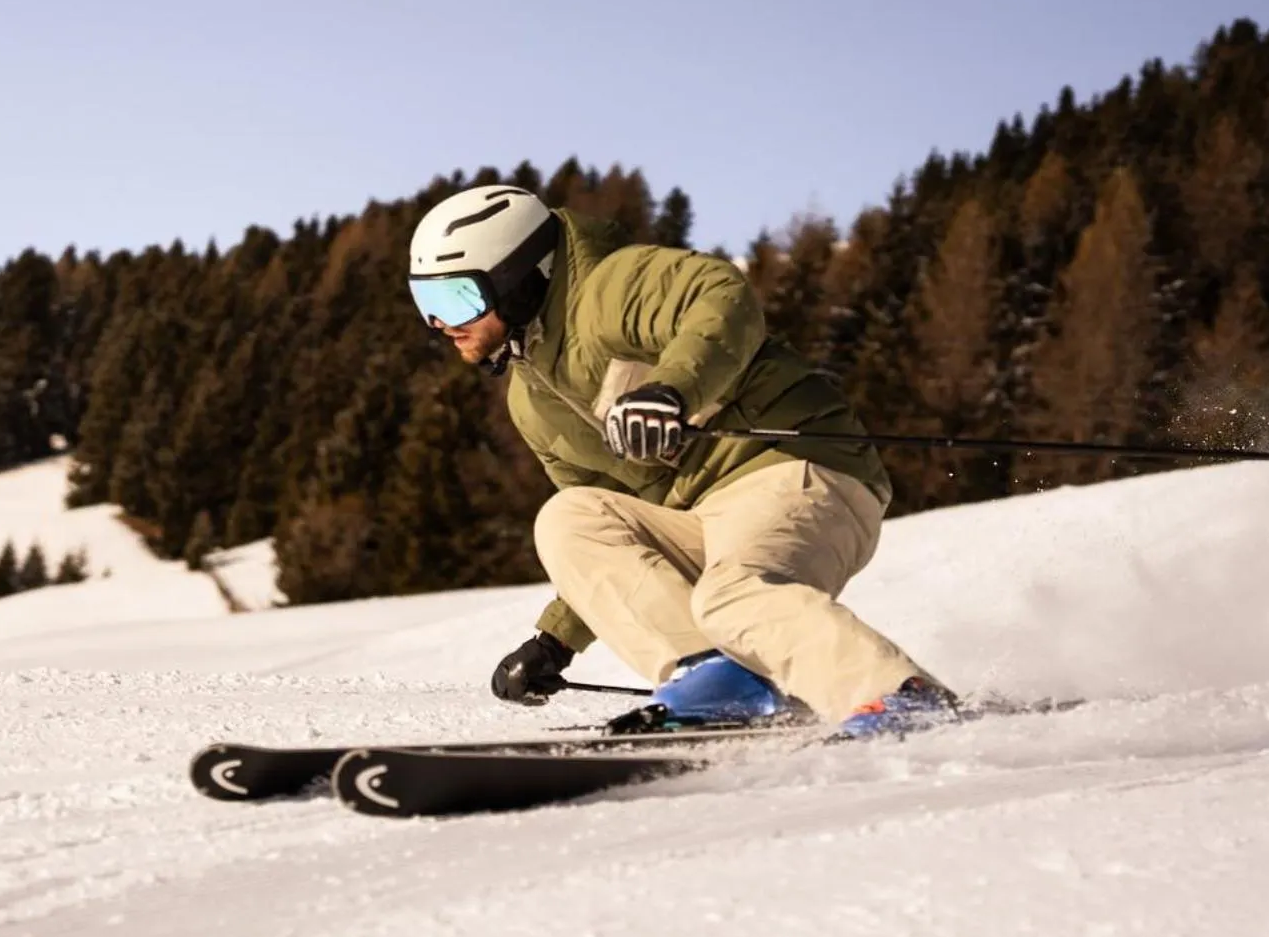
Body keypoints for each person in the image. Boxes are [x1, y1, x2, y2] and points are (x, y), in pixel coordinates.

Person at [405, 184, 955, 737]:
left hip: (796, 465)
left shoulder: (611, 287)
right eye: (425, 304)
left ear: (518, 279)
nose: (439, 325)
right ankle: (716, 680)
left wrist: (671, 391)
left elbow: (721, 298)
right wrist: (557, 639)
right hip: (701, 518)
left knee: (730, 597)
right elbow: (610, 536)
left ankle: (895, 696)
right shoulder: (532, 403)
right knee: (568, 516)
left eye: (456, 300)